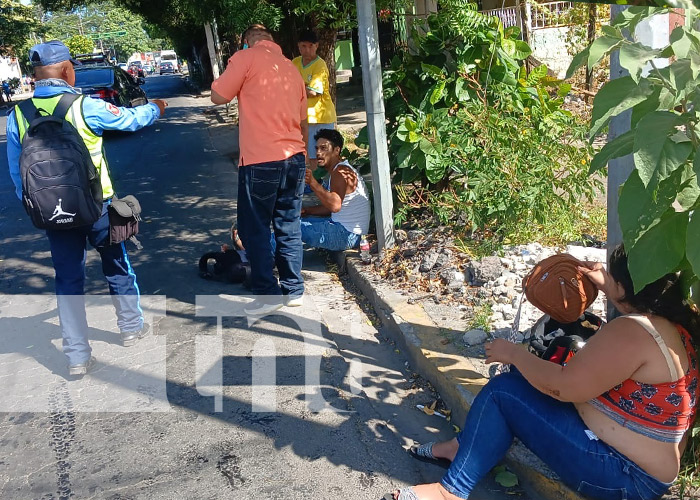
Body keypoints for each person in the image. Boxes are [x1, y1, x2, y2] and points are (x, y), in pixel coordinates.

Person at [393, 245, 699, 500]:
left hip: (624, 477)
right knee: (521, 381)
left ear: (626, 287)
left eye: (612, 275)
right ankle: (462, 448)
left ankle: (451, 491)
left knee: (503, 391)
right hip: (640, 469)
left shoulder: (632, 331)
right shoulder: (672, 324)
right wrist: (608, 282)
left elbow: (563, 387)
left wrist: (513, 352)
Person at [6, 40, 168, 377]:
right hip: (98, 207)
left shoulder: (17, 116)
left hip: (53, 214)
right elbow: (129, 120)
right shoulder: (84, 106)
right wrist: (155, 107)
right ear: (67, 70)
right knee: (117, 266)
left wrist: (38, 208)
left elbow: (15, 172)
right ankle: (130, 328)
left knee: (68, 280)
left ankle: (77, 356)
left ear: (35, 75)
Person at [210, 25, 308, 316]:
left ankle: (267, 294)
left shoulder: (246, 58)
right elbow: (303, 120)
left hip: (261, 160)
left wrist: (236, 66)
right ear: (272, 41)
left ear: (247, 42)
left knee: (255, 229)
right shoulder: (292, 68)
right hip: (295, 157)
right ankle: (294, 289)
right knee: (289, 224)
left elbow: (218, 95)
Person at [301, 128, 369, 251]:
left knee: (291, 228)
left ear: (336, 150)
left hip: (347, 235)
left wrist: (312, 183)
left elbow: (335, 206)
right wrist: (307, 211)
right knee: (294, 221)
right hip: (348, 231)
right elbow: (331, 208)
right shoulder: (340, 169)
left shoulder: (341, 171)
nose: (318, 153)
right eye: (317, 148)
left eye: (323, 148)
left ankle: (263, 259)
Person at [292, 29, 337, 173]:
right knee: (311, 154)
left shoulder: (320, 65)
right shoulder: (295, 63)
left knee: (327, 154)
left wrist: (297, 86)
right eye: (303, 46)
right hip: (305, 117)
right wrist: (303, 86)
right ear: (298, 46)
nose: (307, 50)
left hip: (322, 117)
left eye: (310, 46)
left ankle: (330, 182)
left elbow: (312, 92)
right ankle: (315, 183)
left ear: (316, 46)